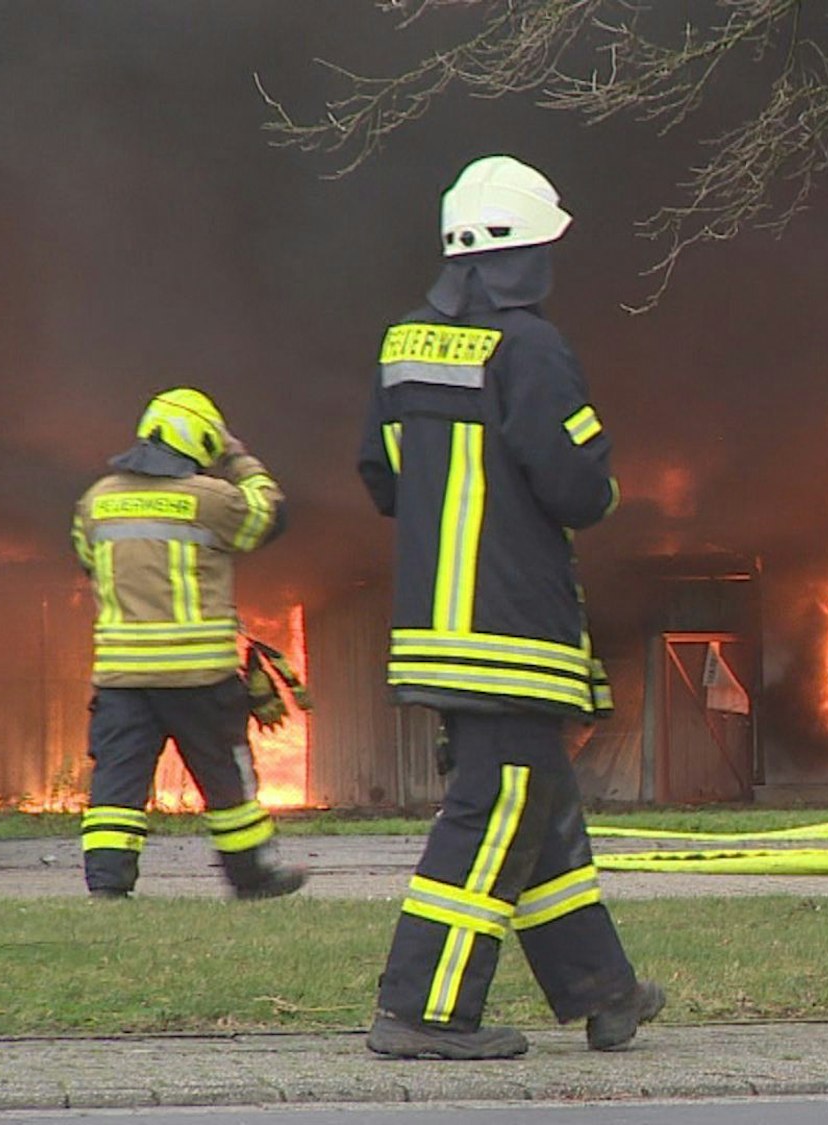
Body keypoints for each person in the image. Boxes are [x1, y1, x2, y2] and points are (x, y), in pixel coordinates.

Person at [358, 155, 662, 1060]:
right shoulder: (528, 347)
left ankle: (603, 991)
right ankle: (422, 1009)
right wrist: (602, 497)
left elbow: (381, 477)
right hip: (513, 630)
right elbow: (576, 484)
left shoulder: (404, 341)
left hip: (436, 631)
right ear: (522, 253)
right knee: (495, 812)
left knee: (540, 811)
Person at [71, 388, 308, 901]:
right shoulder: (211, 498)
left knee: (116, 785)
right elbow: (270, 515)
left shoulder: (96, 501)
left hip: (123, 679)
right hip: (200, 678)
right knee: (227, 784)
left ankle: (108, 887)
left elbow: (86, 561)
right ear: (202, 441)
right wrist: (238, 457)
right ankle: (251, 878)